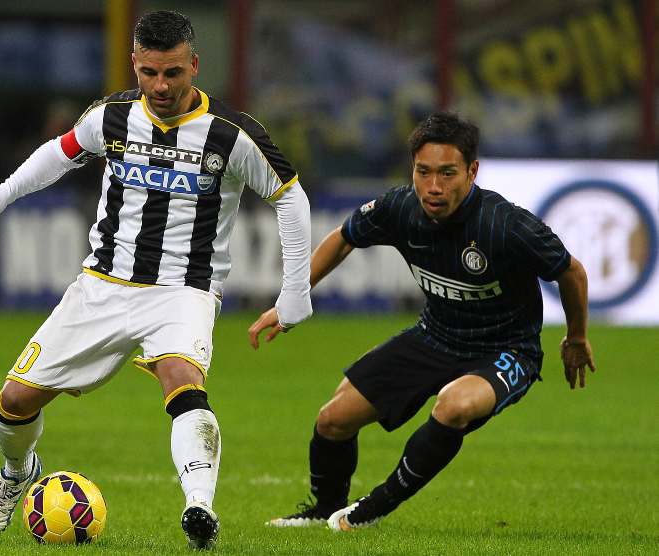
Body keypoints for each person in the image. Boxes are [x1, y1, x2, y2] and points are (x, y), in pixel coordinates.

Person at [0, 11, 312, 549]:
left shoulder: (232, 134)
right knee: (12, 403)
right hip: (101, 285)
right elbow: (61, 154)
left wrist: (294, 293)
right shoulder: (112, 116)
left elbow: (290, 198)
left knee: (182, 378)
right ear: (134, 63)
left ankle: (199, 508)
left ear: (194, 64)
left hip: (183, 289)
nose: (161, 86)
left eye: (173, 72)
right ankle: (17, 472)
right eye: (149, 72)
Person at [249, 112, 595, 531]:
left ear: (472, 171)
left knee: (454, 406)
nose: (433, 186)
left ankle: (371, 509)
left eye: (447, 173)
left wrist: (576, 337)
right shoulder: (399, 208)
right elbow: (343, 238)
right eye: (423, 172)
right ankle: (323, 508)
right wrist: (292, 299)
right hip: (435, 336)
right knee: (333, 420)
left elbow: (571, 271)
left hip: (506, 350)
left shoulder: (506, 225)